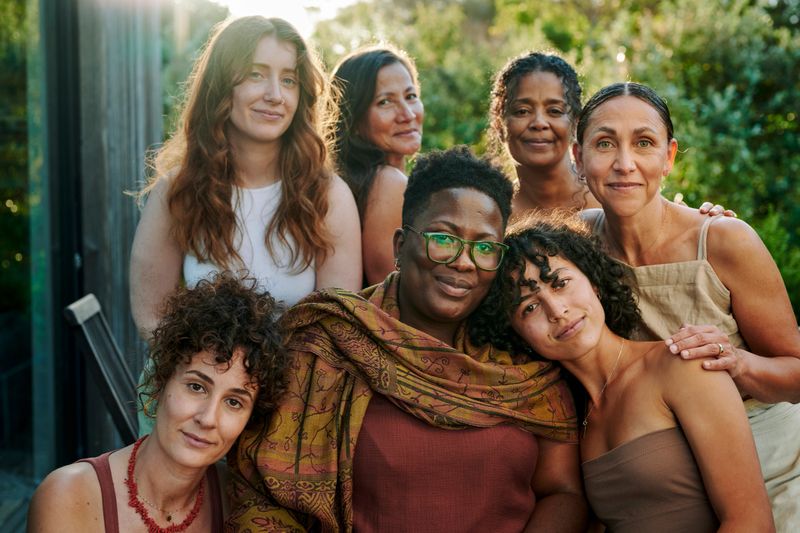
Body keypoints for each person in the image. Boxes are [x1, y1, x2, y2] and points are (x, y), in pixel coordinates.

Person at [225, 147, 585, 532]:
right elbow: (260, 492)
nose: (464, 262)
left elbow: (562, 492)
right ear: (400, 246)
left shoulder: (521, 351)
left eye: (484, 247)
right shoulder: (331, 340)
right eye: (444, 239)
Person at [573, 81, 800, 530]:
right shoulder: (578, 245)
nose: (624, 163)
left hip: (768, 463)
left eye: (644, 143)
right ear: (578, 159)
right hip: (664, 480)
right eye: (604, 143)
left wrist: (737, 362)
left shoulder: (723, 241)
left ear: (669, 157)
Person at [470, 217, 774, 532]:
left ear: (594, 282)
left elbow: (752, 522)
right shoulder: (571, 417)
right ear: (517, 335)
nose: (556, 310)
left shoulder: (682, 364)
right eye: (529, 308)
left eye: (560, 283)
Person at [130, 16, 361, 339]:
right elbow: (152, 320)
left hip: (301, 384)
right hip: (200, 380)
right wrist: (217, 382)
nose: (275, 95)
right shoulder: (178, 190)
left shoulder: (328, 196)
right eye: (256, 74)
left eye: (289, 80)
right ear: (223, 85)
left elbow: (337, 330)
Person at [27, 273, 288, 533]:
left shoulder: (240, 505)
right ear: (161, 383)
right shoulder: (68, 497)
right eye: (196, 387)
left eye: (233, 402)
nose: (208, 418)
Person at [487, 51, 731, 218]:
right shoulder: (490, 215)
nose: (539, 122)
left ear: (576, 123)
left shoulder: (616, 192)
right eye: (522, 110)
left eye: (554, 110)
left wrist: (707, 223)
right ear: (499, 122)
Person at [330, 44, 424, 286]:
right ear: (353, 119)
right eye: (385, 102)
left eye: (411, 96)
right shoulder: (387, 183)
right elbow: (389, 294)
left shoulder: (363, 181)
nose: (407, 114)